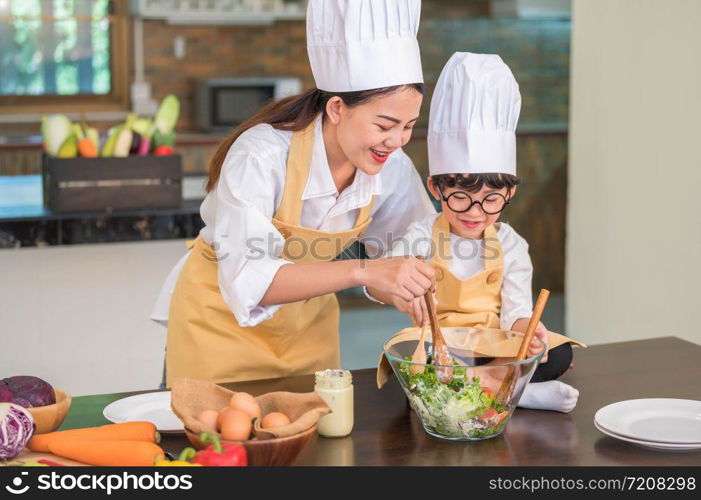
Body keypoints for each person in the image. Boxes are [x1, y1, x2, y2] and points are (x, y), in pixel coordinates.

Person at [150, 0, 437, 387]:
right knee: (215, 440)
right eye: (385, 124)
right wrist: (365, 270)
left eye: (408, 126)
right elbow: (251, 278)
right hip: (219, 324)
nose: (397, 140)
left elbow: (404, 246)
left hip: (308, 328)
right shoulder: (262, 155)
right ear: (337, 108)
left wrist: (400, 289)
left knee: (316, 436)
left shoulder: (392, 166)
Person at [368, 53, 584, 412]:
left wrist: (529, 330)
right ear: (436, 189)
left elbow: (516, 311)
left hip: (492, 344)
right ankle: (514, 392)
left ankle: (472, 389)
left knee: (556, 352)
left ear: (510, 193)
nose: (474, 213)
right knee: (407, 353)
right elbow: (384, 280)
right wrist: (402, 294)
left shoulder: (512, 245)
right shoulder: (422, 234)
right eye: (460, 198)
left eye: (491, 200)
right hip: (442, 344)